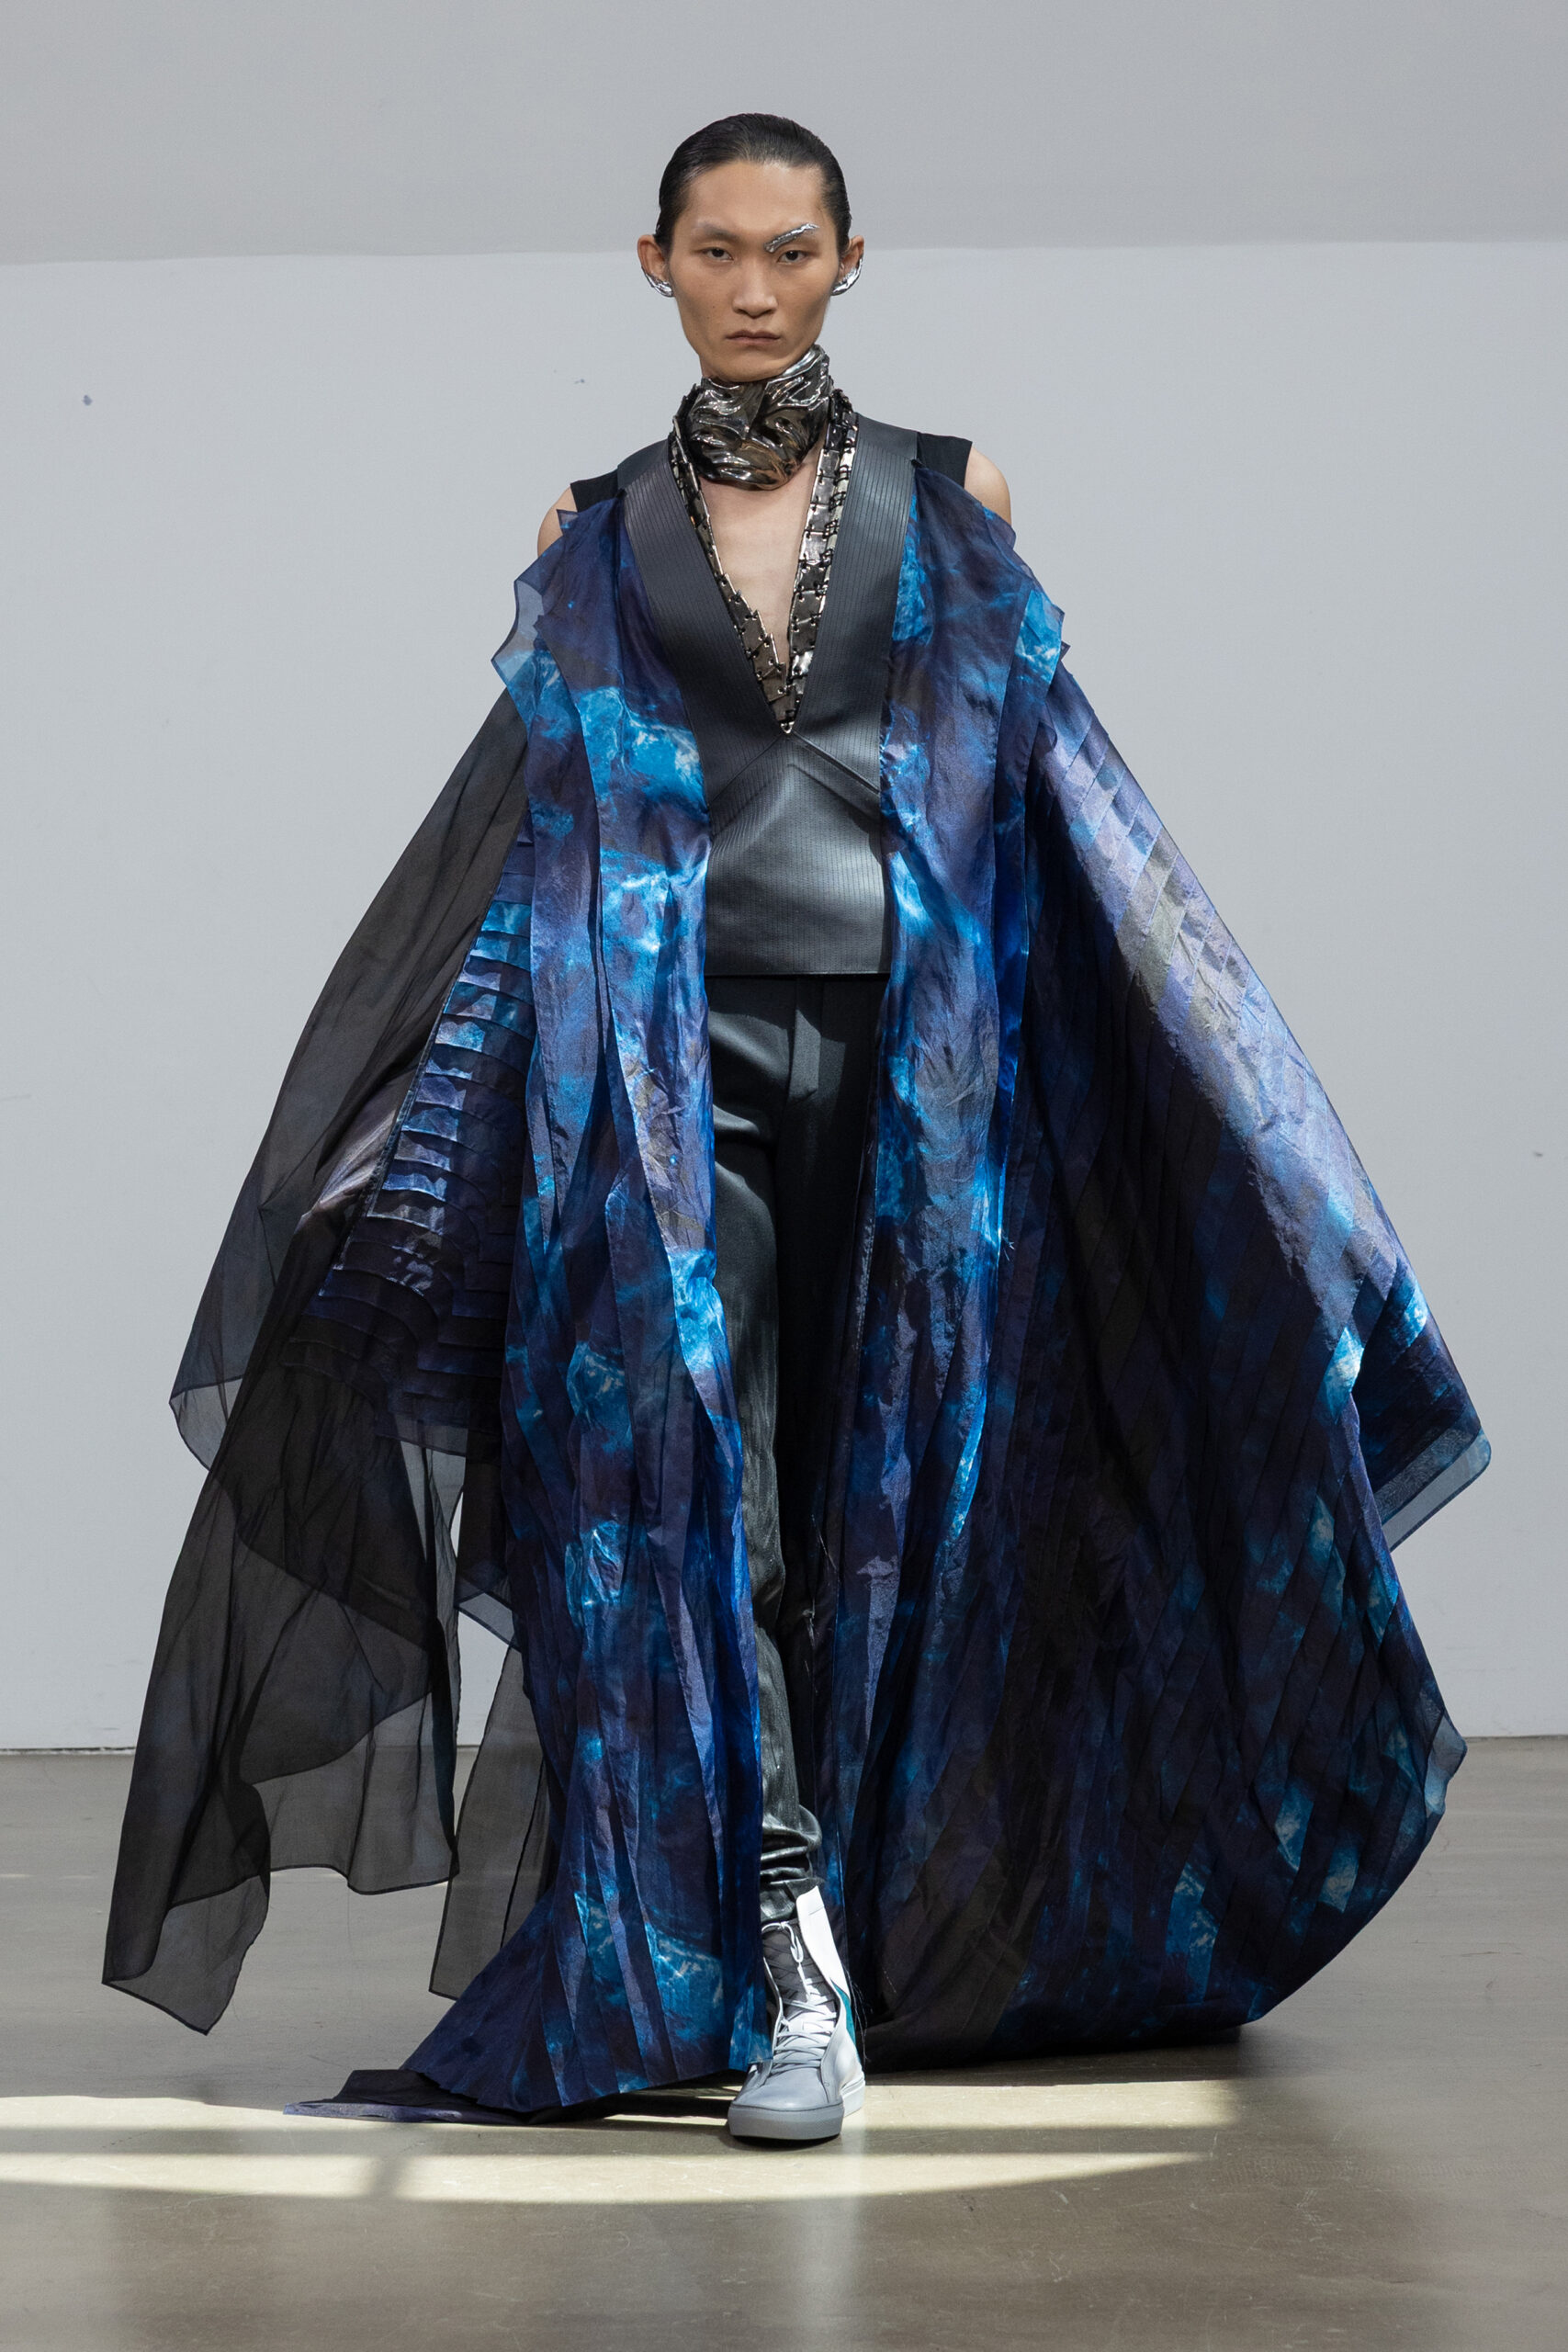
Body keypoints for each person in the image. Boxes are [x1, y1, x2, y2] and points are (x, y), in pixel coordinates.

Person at [105, 115, 1488, 2148]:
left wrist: (1189, 1087)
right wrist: (437, 1105)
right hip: (669, 1078)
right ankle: (787, 1965)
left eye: (790, 250)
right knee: (697, 1485)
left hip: (922, 1077)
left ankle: (884, 1916)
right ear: (651, 262)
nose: (753, 287)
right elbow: (546, 838)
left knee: (895, 1499)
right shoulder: (592, 526)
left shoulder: (953, 488)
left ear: (849, 262)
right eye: (716, 249)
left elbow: (1041, 799)